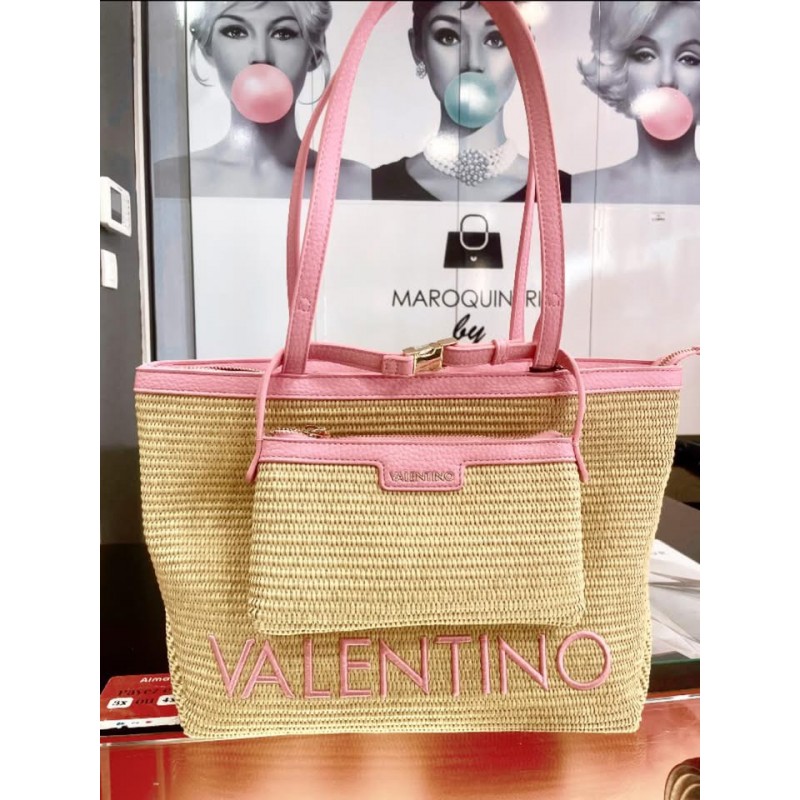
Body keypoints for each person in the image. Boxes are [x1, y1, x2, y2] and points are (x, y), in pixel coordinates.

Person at [154, 1, 370, 199]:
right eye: (236, 32)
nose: (261, 56)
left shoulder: (359, 182)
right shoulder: (166, 179)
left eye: (283, 33)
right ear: (207, 48)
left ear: (315, 54)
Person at [371, 0, 571, 203]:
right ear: (417, 47)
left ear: (525, 52)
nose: (473, 63)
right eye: (448, 37)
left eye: (496, 39)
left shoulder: (572, 192)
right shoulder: (367, 187)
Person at [571, 1, 700, 204]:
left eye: (689, 59)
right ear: (619, 67)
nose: (666, 79)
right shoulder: (576, 190)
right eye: (645, 55)